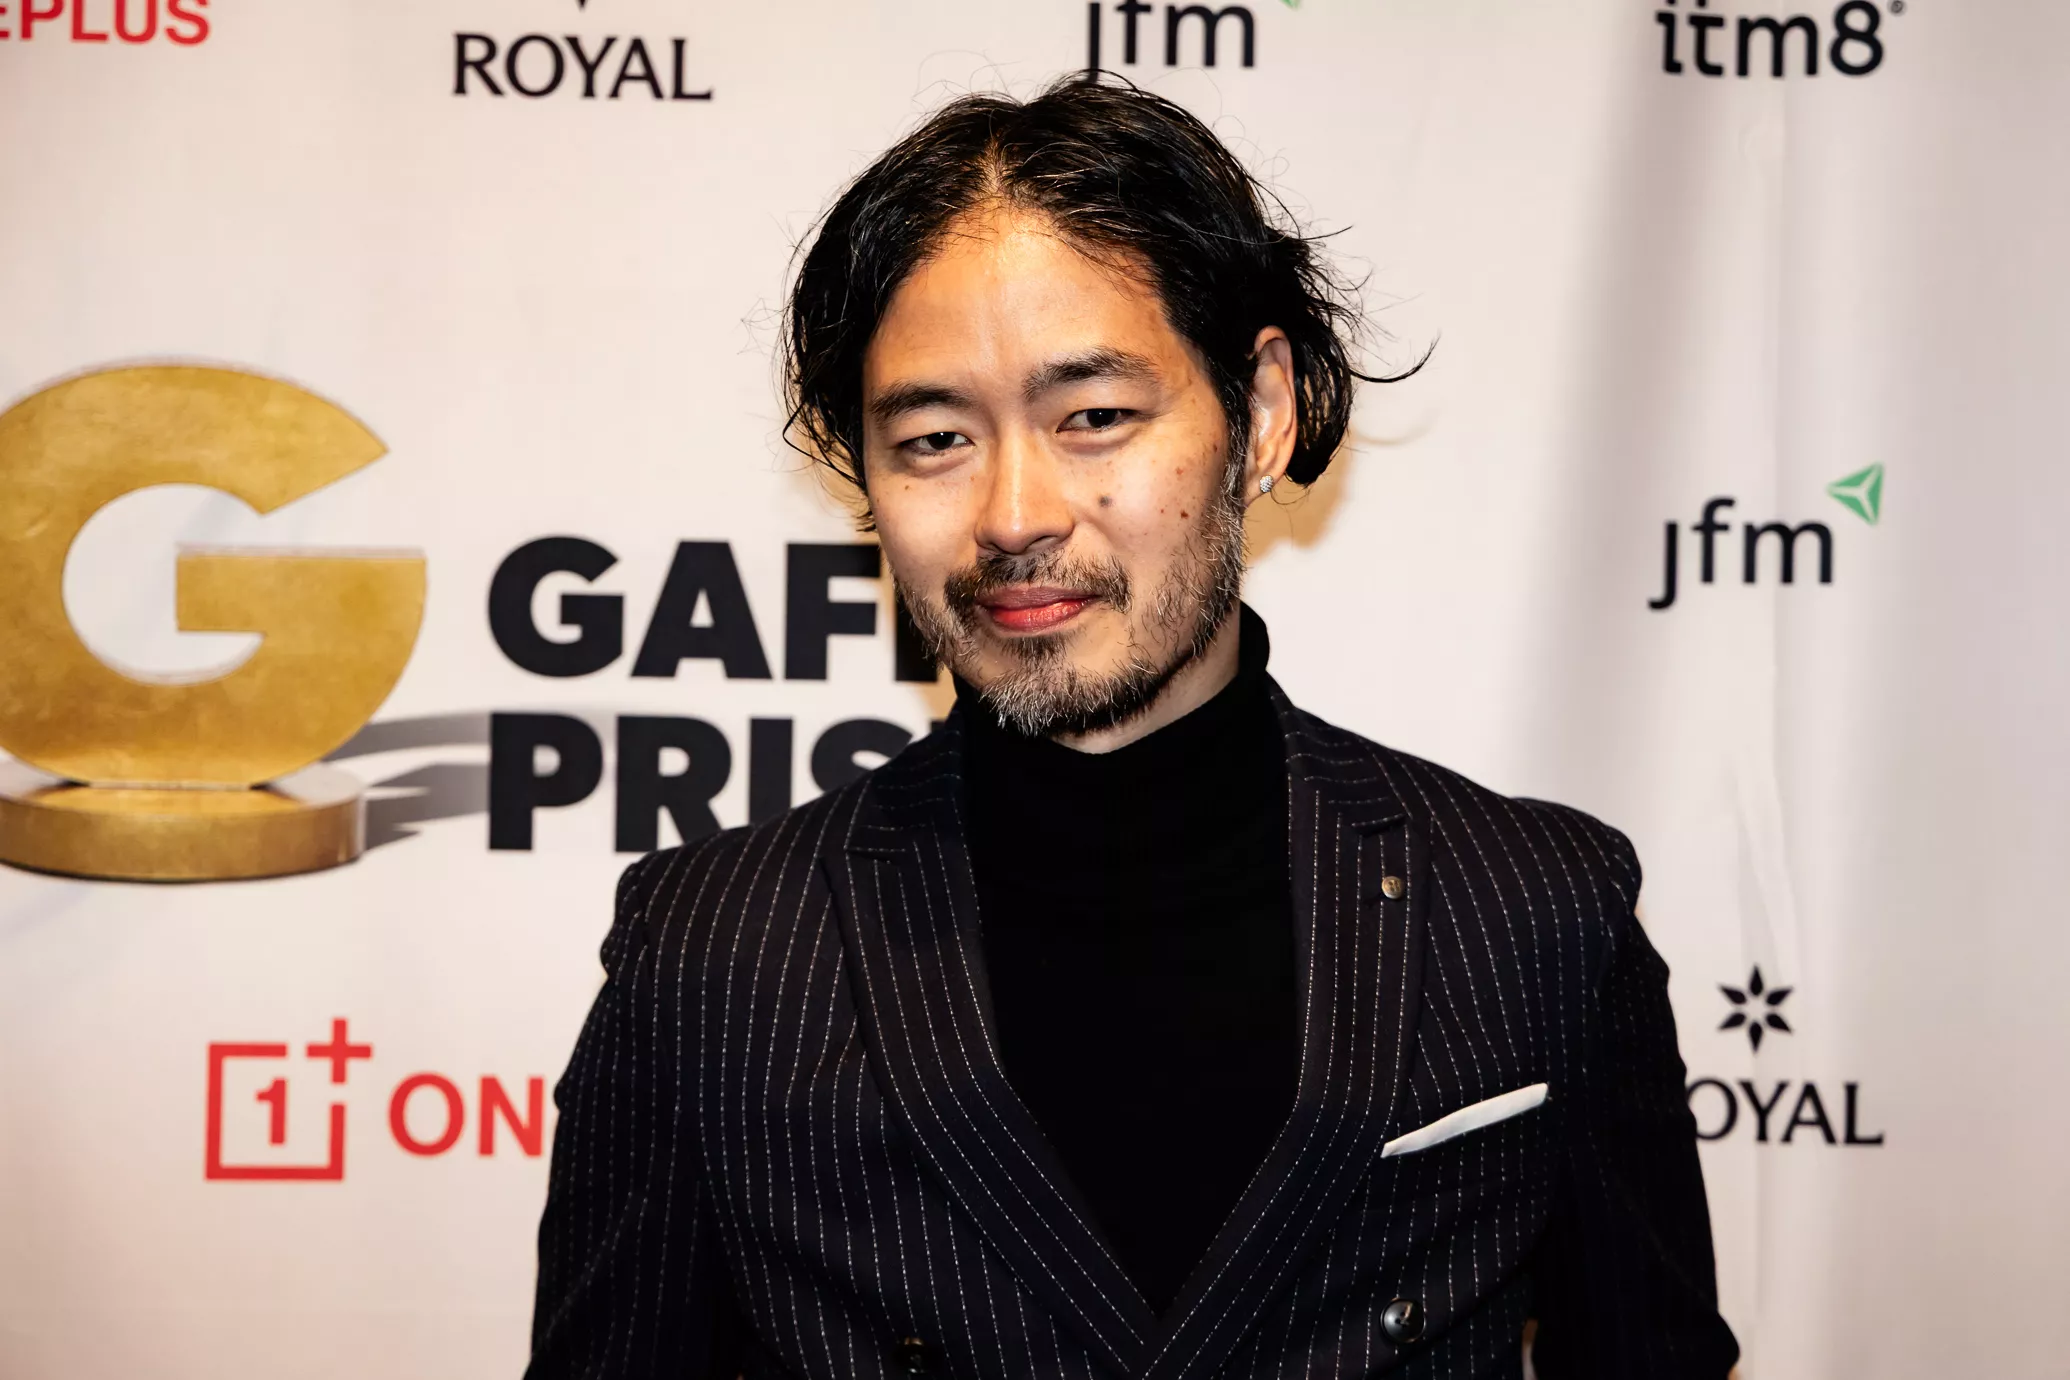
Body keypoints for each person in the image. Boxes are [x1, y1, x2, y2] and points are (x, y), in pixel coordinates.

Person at [525, 76, 1738, 1380]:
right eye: (932, 437)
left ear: (1259, 414)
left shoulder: (1533, 909)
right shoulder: (711, 956)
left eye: (1094, 417)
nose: (1012, 515)